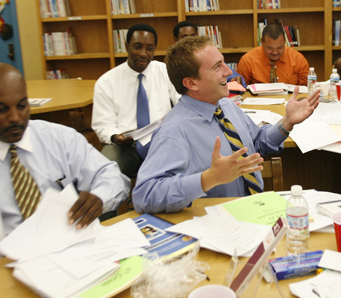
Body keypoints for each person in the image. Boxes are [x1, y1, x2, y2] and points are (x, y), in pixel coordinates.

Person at [0, 63, 130, 277]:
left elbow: (111, 174)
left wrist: (99, 197)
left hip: (72, 256)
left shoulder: (59, 138)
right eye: (1, 109)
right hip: (3, 272)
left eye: (22, 105)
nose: (15, 117)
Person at [133, 36, 320, 214]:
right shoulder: (174, 130)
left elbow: (256, 144)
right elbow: (144, 195)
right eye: (217, 67)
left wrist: (286, 122)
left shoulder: (225, 105)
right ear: (191, 83)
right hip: (217, 226)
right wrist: (207, 179)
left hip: (255, 211)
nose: (229, 72)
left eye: (223, 62)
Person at [93, 24, 180, 179]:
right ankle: (117, 200)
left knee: (189, 162)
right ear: (127, 47)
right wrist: (115, 136)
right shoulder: (106, 82)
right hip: (125, 145)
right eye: (137, 47)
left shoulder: (166, 71)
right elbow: (103, 124)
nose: (143, 54)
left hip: (161, 139)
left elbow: (182, 102)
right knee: (105, 171)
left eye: (149, 48)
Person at [173, 20, 246, 87]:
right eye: (185, 37)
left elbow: (238, 81)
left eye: (192, 36)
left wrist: (236, 81)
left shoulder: (209, 57)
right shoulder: (174, 64)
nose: (190, 40)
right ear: (176, 39)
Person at [237, 23, 309, 85]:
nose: (275, 52)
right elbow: (240, 90)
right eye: (270, 48)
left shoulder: (298, 59)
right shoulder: (247, 61)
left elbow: (306, 89)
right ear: (262, 42)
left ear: (284, 42)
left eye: (279, 48)